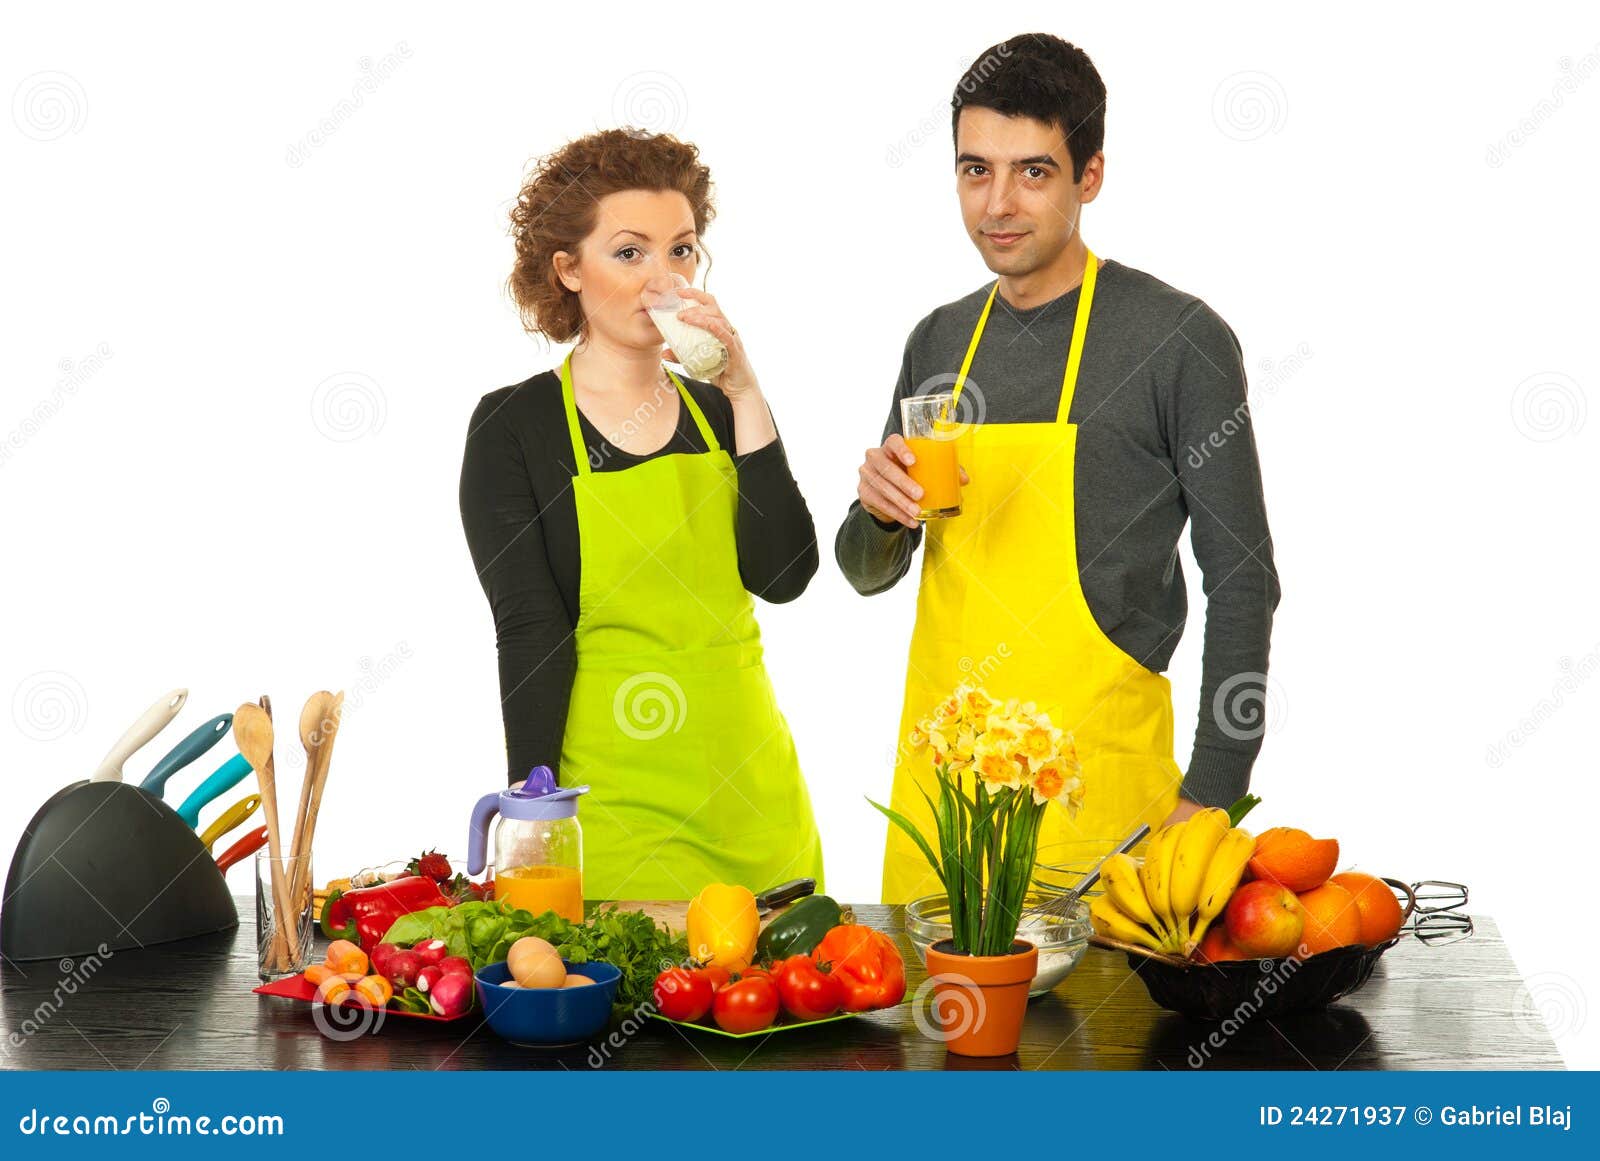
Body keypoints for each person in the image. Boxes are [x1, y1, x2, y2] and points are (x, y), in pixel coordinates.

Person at [837, 35, 1281, 903]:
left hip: (1103, 807)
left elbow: (1244, 579)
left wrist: (1215, 794)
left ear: (1091, 175)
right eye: (975, 170)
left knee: (1109, 1040)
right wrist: (881, 515)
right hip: (947, 807)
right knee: (933, 1039)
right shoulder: (939, 341)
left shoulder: (1176, 339)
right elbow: (863, 571)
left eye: (1033, 172)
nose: (997, 204)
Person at [460, 128, 823, 900]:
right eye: (631, 253)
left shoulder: (722, 412)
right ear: (567, 269)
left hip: (757, 811)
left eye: (682, 250)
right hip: (614, 821)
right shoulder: (515, 428)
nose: (665, 279)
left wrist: (747, 393)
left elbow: (785, 574)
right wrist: (533, 817)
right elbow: (529, 628)